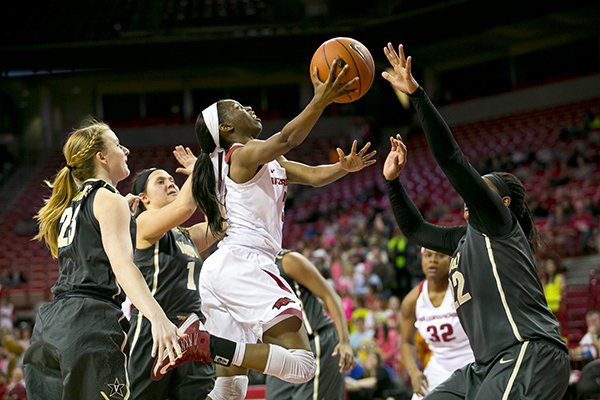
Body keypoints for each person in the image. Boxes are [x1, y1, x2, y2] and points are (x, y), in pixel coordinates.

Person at [155, 60, 376, 399]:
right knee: (303, 365)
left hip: (224, 269)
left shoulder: (266, 161)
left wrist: (343, 168)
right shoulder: (241, 155)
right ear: (227, 128)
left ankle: (205, 344)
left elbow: (315, 176)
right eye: (240, 108)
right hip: (244, 262)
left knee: (231, 388)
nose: (250, 109)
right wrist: (321, 99)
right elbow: (288, 137)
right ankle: (202, 343)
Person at [381, 43, 570, 399]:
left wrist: (417, 95)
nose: (472, 194)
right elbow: (415, 229)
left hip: (528, 352)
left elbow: (451, 159)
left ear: (503, 201)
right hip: (484, 366)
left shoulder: (499, 223)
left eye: (482, 188)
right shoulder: (463, 240)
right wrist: (392, 182)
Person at [23, 120, 183, 399]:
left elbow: (91, 248)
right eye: (119, 145)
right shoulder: (109, 199)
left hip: (50, 326)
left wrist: (126, 217)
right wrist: (158, 318)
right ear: (102, 157)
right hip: (89, 322)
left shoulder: (70, 204)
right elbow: (122, 266)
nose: (127, 150)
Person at [127, 146, 217, 399]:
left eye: (171, 179)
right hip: (155, 327)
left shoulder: (185, 236)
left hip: (192, 330)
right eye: (160, 181)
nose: (170, 183)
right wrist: (198, 171)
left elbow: (221, 222)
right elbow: (185, 208)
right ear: (143, 198)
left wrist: (204, 182)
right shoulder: (142, 225)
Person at [265, 249, 354, 400]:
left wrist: (344, 341)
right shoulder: (247, 271)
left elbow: (330, 296)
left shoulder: (287, 260)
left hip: (316, 341)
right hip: (280, 349)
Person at [400, 248, 474, 399]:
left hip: (472, 361)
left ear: (451, 260)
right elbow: (406, 342)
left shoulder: (463, 288)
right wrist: (414, 373)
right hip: (439, 365)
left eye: (440, 255)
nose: (433, 260)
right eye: (428, 255)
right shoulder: (412, 300)